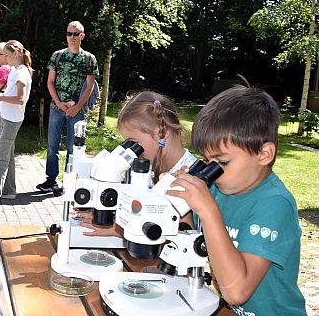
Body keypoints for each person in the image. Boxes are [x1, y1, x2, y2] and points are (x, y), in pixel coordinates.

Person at [169, 86, 306, 315]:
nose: (213, 171)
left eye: (222, 162)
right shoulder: (218, 189)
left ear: (264, 154)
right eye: (206, 160)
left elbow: (236, 292)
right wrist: (180, 206)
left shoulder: (274, 204)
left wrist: (209, 211)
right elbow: (193, 238)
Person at [76, 91, 197, 237]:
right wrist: (106, 214)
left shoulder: (191, 174)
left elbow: (179, 231)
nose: (131, 150)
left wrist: (120, 230)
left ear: (162, 134)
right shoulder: (147, 167)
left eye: (134, 143)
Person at [37, 21, 99, 194]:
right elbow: (50, 82)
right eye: (69, 33)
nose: (71, 37)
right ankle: (51, 180)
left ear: (82, 36)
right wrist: (58, 103)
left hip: (77, 111)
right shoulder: (57, 56)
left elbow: (90, 86)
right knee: (52, 147)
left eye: (75, 34)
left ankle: (70, 182)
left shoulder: (89, 58)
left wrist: (78, 106)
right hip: (57, 108)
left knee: (74, 148)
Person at [0, 40, 33, 209]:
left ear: (17, 54)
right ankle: (10, 190)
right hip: (6, 116)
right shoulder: (15, 70)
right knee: (7, 156)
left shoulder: (22, 72)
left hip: (12, 118)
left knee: (2, 157)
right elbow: (12, 94)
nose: (6, 59)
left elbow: (20, 99)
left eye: (8, 56)